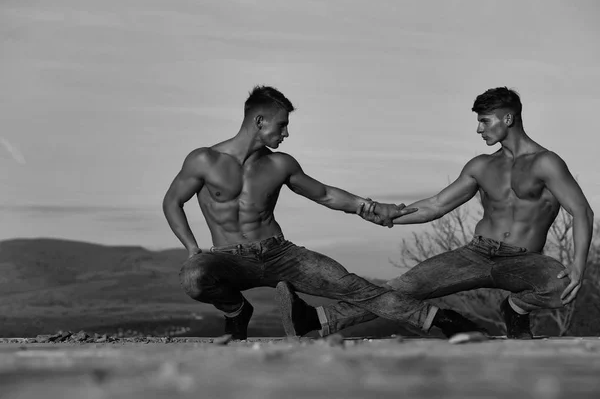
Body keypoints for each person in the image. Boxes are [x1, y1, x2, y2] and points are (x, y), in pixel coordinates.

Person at [162, 85, 484, 340]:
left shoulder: (280, 164)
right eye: (282, 125)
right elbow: (172, 202)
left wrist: (371, 208)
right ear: (259, 121)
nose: (286, 133)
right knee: (193, 276)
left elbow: (327, 194)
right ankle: (236, 312)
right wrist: (192, 249)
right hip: (228, 257)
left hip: (279, 254)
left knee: (355, 287)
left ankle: (441, 320)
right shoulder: (204, 160)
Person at [293, 87, 594, 339]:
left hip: (524, 259)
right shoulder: (481, 166)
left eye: (485, 121)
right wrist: (386, 217)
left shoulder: (546, 163)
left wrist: (578, 263)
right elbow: (436, 206)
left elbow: (581, 211)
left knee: (562, 286)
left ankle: (515, 307)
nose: (479, 129)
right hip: (477, 253)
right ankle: (315, 319)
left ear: (508, 118)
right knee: (402, 288)